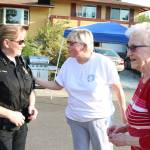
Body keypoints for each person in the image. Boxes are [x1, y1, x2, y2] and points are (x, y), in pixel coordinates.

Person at [35, 29, 126, 150]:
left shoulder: (103, 62)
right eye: (68, 43)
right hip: (75, 118)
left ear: (84, 46)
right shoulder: (69, 63)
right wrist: (34, 78)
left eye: (71, 43)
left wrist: (124, 112)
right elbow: (57, 85)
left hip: (99, 118)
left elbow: (118, 89)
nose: (68, 46)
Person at [108, 22, 150, 150]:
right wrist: (126, 127)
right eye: (128, 47)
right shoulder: (144, 77)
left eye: (133, 47)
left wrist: (127, 139)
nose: (128, 53)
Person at [0, 25, 38, 150]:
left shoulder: (22, 61)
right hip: (2, 129)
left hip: (20, 126)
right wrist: (9, 114)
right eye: (20, 41)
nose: (24, 45)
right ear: (6, 43)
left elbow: (31, 88)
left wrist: (32, 105)